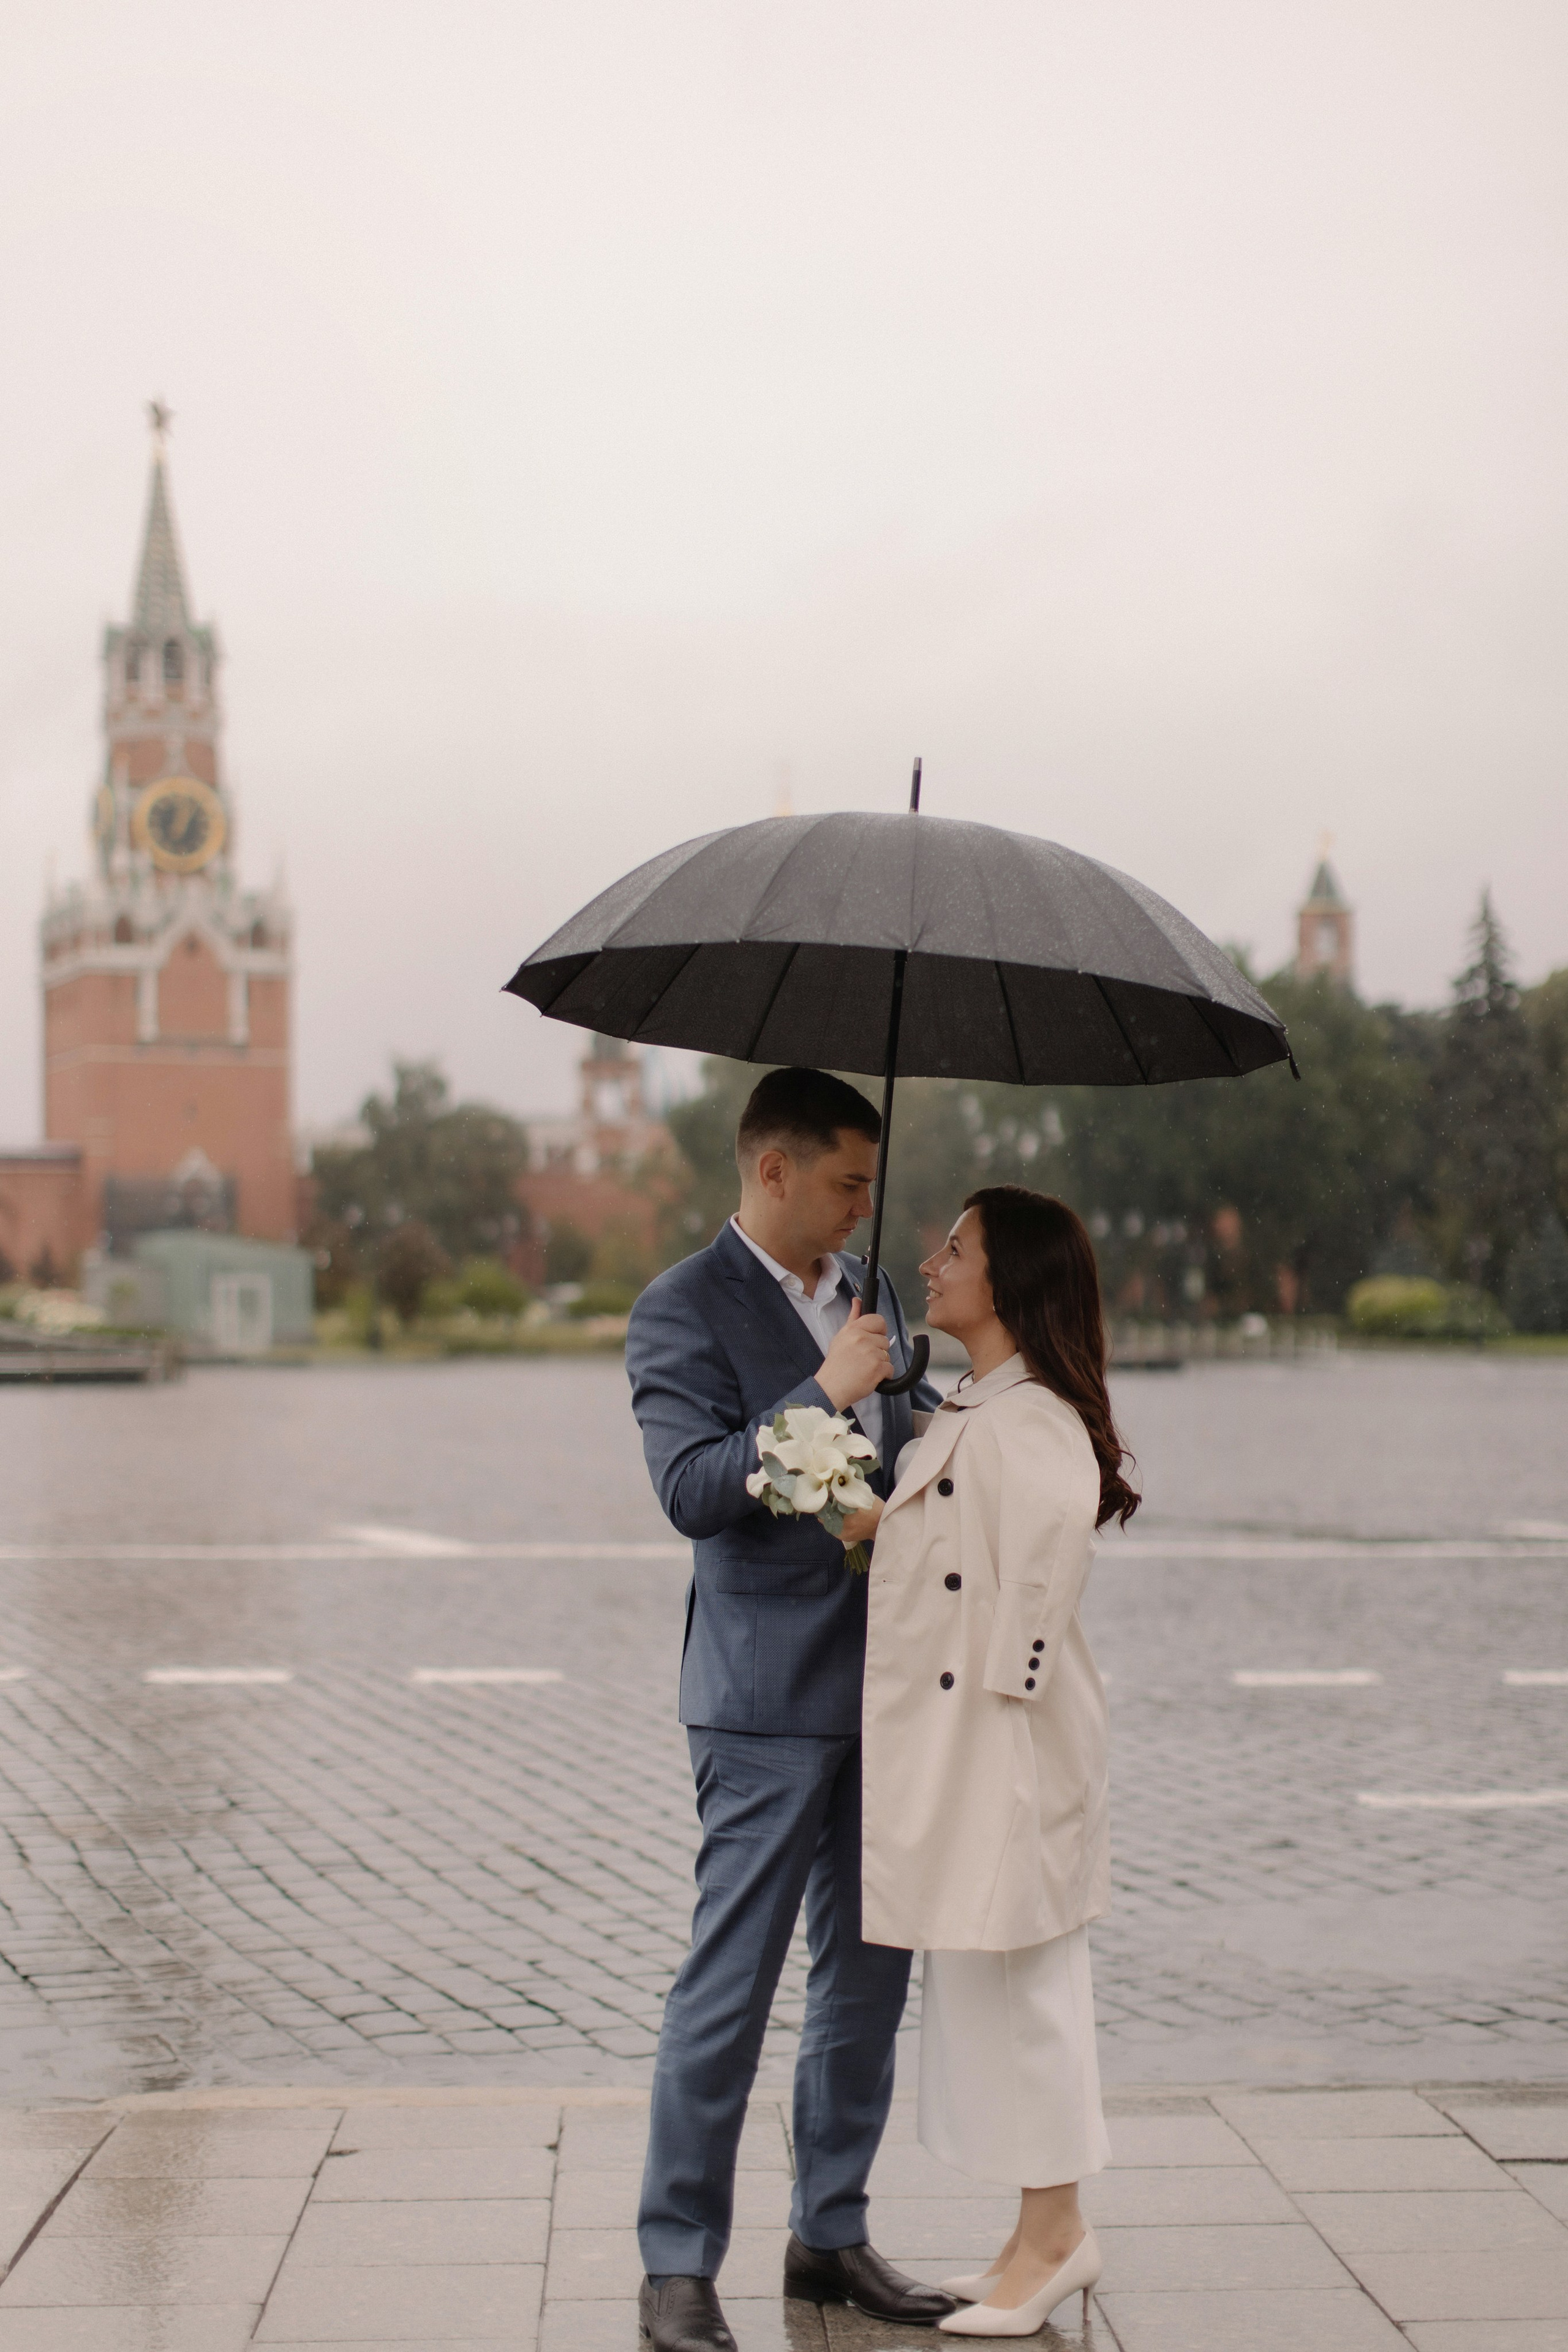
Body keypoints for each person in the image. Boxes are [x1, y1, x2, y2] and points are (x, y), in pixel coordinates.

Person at [625, 1066, 949, 2352]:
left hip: (886, 1689)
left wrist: (939, 1418)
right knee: (731, 1980)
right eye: (847, 1182)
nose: (867, 1204)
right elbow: (692, 1488)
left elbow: (908, 1443)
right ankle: (673, 2263)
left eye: (869, 1181)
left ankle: (829, 2232)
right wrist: (820, 1390)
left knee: (867, 1982)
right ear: (773, 1171)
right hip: (758, 1704)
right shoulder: (678, 1311)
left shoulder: (864, 1296)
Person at [847, 1185, 1137, 2339]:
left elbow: (1042, 1561)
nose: (931, 1261)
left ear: (1008, 1277)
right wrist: (875, 1519)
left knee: (1031, 1995)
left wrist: (1008, 1683)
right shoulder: (977, 1405)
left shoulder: (1036, 1417)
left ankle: (1059, 2237)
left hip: (1010, 1742)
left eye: (955, 1248)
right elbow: (952, 1534)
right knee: (989, 1982)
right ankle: (1033, 2235)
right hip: (974, 1741)